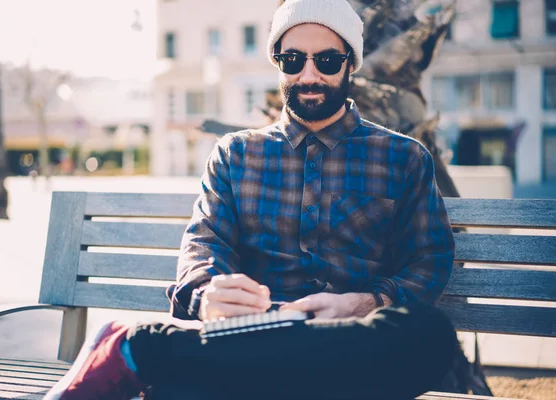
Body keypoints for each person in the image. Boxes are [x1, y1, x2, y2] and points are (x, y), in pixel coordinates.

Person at [46, 0, 457, 399]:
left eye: (327, 61)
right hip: (256, 335)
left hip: (343, 345)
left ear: (350, 63)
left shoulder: (403, 157)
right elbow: (204, 244)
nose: (309, 74)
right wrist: (208, 293)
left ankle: (145, 349)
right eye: (293, 60)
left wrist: (366, 303)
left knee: (430, 335)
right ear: (277, 62)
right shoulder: (235, 154)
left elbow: (429, 259)